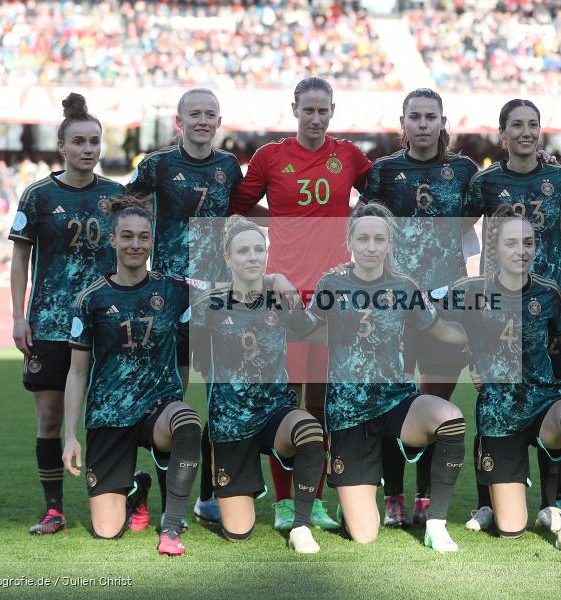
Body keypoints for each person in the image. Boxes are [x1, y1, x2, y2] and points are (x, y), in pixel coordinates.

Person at [230, 77, 373, 531]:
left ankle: (315, 498)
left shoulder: (348, 155)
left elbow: (385, 193)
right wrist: (283, 220)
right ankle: (284, 501)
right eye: (307, 110)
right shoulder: (269, 157)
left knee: (323, 403)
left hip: (334, 297)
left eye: (323, 111)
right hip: (284, 294)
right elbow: (238, 205)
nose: (315, 118)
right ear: (294, 108)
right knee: (284, 402)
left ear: (333, 110)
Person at [308, 202, 468, 551]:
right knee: (364, 535)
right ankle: (354, 495)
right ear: (349, 240)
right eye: (363, 238)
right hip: (349, 413)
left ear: (389, 243)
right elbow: (308, 329)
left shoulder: (404, 285)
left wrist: (481, 334)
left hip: (394, 400)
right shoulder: (331, 282)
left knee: (449, 417)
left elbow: (440, 329)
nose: (371, 246)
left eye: (379, 239)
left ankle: (436, 524)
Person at [443, 204, 561, 553]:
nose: (521, 251)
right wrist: (471, 358)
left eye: (528, 243)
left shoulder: (548, 292)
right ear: (496, 247)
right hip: (499, 412)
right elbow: (437, 326)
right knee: (511, 529)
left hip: (543, 403)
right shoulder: (469, 291)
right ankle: (491, 505)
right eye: (512, 243)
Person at [359, 87, 478, 528]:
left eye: (431, 116)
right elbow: (363, 230)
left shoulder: (464, 170)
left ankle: (426, 497)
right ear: (403, 123)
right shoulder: (383, 172)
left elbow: (485, 208)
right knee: (395, 399)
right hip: (395, 303)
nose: (423, 124)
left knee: (434, 403)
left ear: (443, 122)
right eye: (416, 116)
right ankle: (393, 496)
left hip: (447, 302)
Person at [126, 88, 243, 529]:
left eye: (210, 114)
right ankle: (162, 500)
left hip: (215, 305)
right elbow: (123, 211)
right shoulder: (157, 165)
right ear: (179, 120)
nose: (202, 120)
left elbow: (243, 212)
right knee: (169, 405)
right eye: (194, 113)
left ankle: (210, 496)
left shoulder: (228, 167)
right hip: (167, 303)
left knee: (220, 401)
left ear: (219, 121)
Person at [8, 93, 125, 535]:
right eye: (79, 141)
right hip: (51, 323)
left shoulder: (116, 196)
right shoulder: (38, 195)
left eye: (95, 141)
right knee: (51, 417)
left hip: (106, 323)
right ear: (62, 147)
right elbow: (20, 259)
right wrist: (19, 317)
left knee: (111, 414)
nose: (88, 149)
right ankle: (54, 509)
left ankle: (120, 493)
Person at [62, 198, 202, 556]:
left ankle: (170, 527)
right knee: (107, 531)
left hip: (157, 409)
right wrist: (70, 436)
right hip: (109, 415)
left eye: (142, 237)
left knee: (186, 421)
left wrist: (273, 278)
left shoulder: (174, 289)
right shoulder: (90, 298)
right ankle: (137, 491)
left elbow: (231, 286)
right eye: (127, 236)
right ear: (112, 240)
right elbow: (78, 373)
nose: (135, 244)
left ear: (153, 241)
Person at [464, 99, 561, 533]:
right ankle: (485, 501)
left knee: (553, 393)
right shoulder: (485, 182)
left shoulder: (560, 178)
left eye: (533, 124)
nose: (526, 132)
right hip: (498, 305)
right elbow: (460, 232)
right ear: (502, 134)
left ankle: (552, 502)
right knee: (493, 399)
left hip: (550, 302)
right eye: (517, 125)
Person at [190, 216, 325, 553]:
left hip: (274, 412)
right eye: (243, 251)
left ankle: (301, 526)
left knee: (309, 428)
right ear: (227, 257)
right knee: (238, 533)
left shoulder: (280, 296)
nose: (252, 256)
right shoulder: (208, 304)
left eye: (258, 249)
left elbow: (315, 331)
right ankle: (208, 496)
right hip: (231, 424)